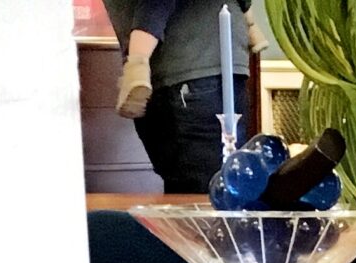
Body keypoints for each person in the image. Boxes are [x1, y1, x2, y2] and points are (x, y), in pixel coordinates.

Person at [106, 0, 255, 193]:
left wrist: (137, 60)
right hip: (197, 71)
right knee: (212, 192)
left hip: (191, 72)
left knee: (206, 193)